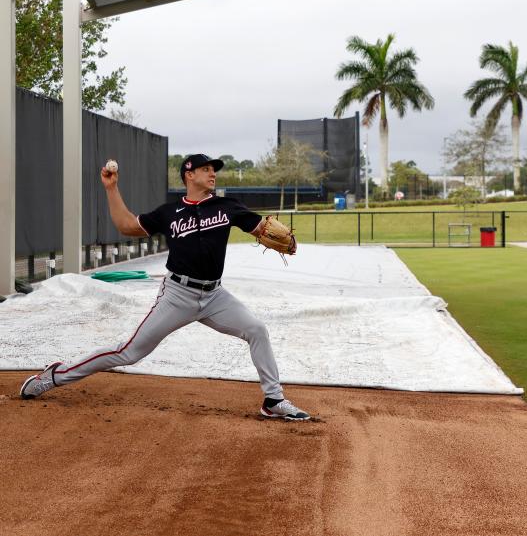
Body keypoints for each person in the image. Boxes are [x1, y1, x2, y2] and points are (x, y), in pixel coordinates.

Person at [19, 154, 311, 421]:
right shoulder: (169, 213)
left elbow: (262, 229)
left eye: (214, 170)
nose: (213, 175)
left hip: (215, 296)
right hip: (177, 295)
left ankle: (273, 400)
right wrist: (111, 188)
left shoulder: (227, 206)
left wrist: (286, 241)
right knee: (128, 352)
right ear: (188, 174)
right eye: (206, 169)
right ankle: (55, 376)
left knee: (256, 329)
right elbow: (126, 225)